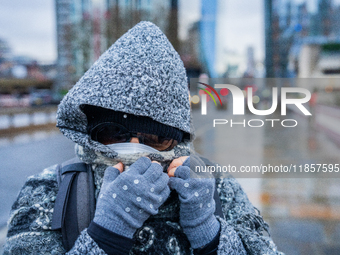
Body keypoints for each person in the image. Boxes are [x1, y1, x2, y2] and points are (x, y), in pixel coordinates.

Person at [3, 21, 283, 254]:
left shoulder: (217, 188)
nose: (135, 150)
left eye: (155, 138)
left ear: (178, 138)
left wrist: (210, 234)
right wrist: (105, 235)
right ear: (91, 131)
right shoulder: (50, 190)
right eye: (113, 134)